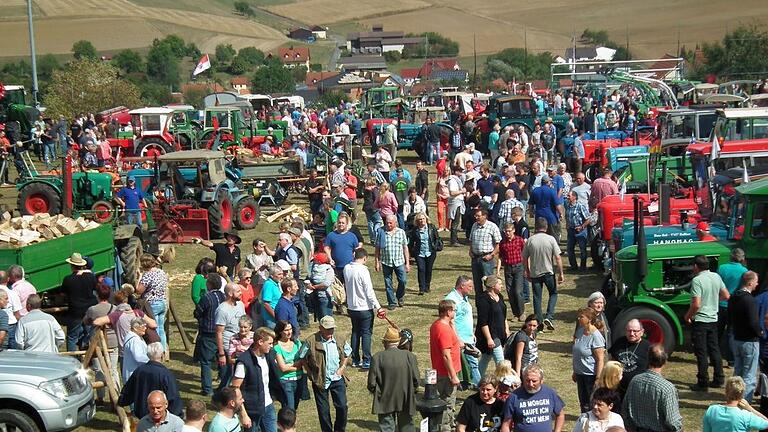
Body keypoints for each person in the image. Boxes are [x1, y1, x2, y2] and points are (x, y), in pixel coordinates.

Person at [684, 255, 728, 391]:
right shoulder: (716, 276)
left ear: (696, 266)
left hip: (701, 320)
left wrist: (687, 316)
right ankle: (719, 378)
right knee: (714, 349)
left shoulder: (697, 281)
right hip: (713, 318)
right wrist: (714, 301)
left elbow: (696, 304)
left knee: (701, 351)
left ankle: (702, 381)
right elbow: (726, 295)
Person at [231, 327, 287, 432]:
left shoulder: (268, 355)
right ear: (260, 342)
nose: (272, 346)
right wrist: (243, 414)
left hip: (268, 405)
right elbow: (235, 388)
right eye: (269, 343)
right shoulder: (244, 362)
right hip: (251, 409)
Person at [367, 326, 420, 432]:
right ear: (398, 341)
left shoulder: (377, 357)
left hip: (384, 398)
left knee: (386, 427)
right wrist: (413, 391)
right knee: (407, 427)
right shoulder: (410, 356)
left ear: (385, 342)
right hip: (405, 397)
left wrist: (375, 391)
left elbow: (372, 382)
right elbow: (416, 380)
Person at [304, 316, 352, 432]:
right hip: (320, 380)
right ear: (320, 328)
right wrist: (311, 374)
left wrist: (343, 367)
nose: (330, 331)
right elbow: (302, 358)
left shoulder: (340, 338)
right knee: (323, 411)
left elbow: (347, 353)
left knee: (342, 407)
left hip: (337, 378)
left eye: (332, 329)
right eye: (327, 329)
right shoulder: (310, 341)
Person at [621, 344, 682, 432]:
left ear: (648, 359)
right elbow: (672, 421)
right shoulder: (667, 388)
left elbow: (625, 409)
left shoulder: (635, 380)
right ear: (665, 361)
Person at [119, 342, 183, 420]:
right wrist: (177, 416)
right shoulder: (166, 374)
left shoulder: (139, 371)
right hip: (159, 416)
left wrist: (121, 401)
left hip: (142, 415)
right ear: (162, 355)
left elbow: (128, 391)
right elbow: (173, 398)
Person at [344, 248, 385, 369]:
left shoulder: (347, 268)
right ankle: (367, 359)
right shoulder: (363, 270)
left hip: (352, 306)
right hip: (364, 307)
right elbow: (369, 291)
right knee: (366, 333)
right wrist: (378, 307)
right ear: (365, 258)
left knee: (355, 332)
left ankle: (355, 359)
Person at [522, 218, 564, 331]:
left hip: (535, 273)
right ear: (546, 227)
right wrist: (561, 273)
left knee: (537, 298)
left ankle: (538, 323)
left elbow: (524, 258)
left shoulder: (530, 240)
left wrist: (527, 271)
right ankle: (549, 316)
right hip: (548, 272)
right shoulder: (551, 239)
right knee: (553, 293)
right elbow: (558, 257)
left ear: (535, 227)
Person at [728, 271, 761, 402]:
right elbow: (753, 322)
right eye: (756, 281)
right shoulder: (750, 300)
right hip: (749, 341)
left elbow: (729, 317)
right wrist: (761, 333)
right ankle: (745, 402)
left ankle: (733, 398)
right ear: (750, 282)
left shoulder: (733, 297)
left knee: (738, 373)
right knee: (749, 376)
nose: (757, 284)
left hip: (736, 338)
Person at [500, 364, 565, 432]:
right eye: (527, 381)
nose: (530, 384)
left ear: (541, 380)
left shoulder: (550, 393)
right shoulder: (514, 397)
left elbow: (560, 415)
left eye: (534, 381)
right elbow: (506, 423)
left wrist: (557, 430)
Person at [430, 300, 463, 432]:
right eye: (454, 310)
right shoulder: (443, 329)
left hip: (442, 371)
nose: (455, 312)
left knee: (447, 402)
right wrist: (453, 375)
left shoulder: (438, 325)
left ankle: (449, 424)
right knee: (447, 403)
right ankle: (445, 428)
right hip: (446, 374)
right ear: (448, 312)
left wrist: (452, 324)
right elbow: (446, 355)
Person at [193, 274, 227, 396]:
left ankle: (207, 389)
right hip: (222, 332)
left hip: (208, 332)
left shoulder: (207, 298)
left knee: (206, 361)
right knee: (222, 359)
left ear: (210, 284)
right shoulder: (223, 296)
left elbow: (198, 312)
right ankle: (224, 385)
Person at [445, 276, 481, 388]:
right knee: (473, 364)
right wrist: (458, 339)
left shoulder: (464, 297)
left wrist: (472, 333)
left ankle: (465, 383)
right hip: (461, 339)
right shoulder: (451, 300)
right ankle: (480, 386)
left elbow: (465, 317)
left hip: (468, 337)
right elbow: (450, 322)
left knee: (468, 363)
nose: (471, 289)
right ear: (462, 286)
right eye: (469, 286)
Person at [702, 375, 768, 432]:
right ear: (742, 394)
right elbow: (766, 424)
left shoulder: (712, 410)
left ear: (726, 392)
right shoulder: (746, 415)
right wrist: (750, 409)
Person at [61, 252, 98, 351]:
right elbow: (95, 288)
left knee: (72, 337)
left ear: (71, 265)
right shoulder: (91, 277)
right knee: (88, 335)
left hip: (75, 312)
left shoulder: (68, 279)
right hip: (89, 310)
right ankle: (89, 356)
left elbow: (63, 294)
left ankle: (72, 359)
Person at [572, 307, 606, 413]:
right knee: (583, 402)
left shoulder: (596, 336)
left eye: (581, 317)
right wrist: (575, 371)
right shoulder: (580, 331)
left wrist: (598, 378)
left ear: (589, 319)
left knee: (591, 403)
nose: (578, 319)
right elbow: (577, 353)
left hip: (590, 375)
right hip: (580, 373)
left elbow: (600, 359)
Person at [718, 248, 748, 364]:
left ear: (731, 256)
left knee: (718, 331)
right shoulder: (744, 270)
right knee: (731, 333)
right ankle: (731, 359)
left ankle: (714, 354)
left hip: (721, 303)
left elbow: (718, 285)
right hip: (735, 304)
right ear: (742, 258)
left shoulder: (722, 268)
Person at [476, 276, 509, 376]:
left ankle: (475, 379)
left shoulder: (500, 297)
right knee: (500, 360)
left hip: (500, 333)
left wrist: (506, 329)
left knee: (486, 357)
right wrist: (489, 338)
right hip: (491, 334)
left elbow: (504, 315)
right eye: (499, 284)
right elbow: (483, 321)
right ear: (493, 286)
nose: (502, 286)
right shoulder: (483, 299)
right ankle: (504, 380)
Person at [376, 214, 410, 310]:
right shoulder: (381, 232)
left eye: (391, 223)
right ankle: (391, 302)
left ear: (395, 223)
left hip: (399, 261)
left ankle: (400, 296)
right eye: (387, 223)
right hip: (386, 261)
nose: (389, 225)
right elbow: (377, 248)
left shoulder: (401, 232)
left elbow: (405, 247)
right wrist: (377, 261)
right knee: (388, 283)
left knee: (403, 280)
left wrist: (407, 262)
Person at [216, 283, 246, 391]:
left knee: (236, 373)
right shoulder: (222, 310)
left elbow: (245, 322)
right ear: (230, 293)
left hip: (240, 344)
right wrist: (221, 354)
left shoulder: (240, 305)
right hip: (227, 346)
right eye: (238, 291)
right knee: (227, 375)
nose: (241, 293)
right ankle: (221, 396)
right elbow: (219, 332)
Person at [609, 319, 650, 397]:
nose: (631, 334)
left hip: (638, 390)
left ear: (642, 332)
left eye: (635, 331)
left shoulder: (647, 347)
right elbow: (612, 360)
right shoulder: (619, 343)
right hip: (618, 389)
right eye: (629, 331)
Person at [136, 253, 169, 349]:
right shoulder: (161, 272)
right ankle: (162, 350)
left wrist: (139, 277)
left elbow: (138, 290)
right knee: (161, 328)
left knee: (153, 328)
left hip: (152, 304)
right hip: (162, 302)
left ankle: (155, 350)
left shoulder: (148, 275)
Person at [469, 208, 502, 299]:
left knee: (489, 283)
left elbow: (498, 243)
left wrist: (491, 255)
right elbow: (471, 240)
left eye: (478, 216)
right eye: (476, 216)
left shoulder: (492, 226)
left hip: (487, 259)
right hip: (475, 258)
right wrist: (470, 250)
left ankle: (492, 301)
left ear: (484, 216)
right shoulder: (474, 226)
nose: (476, 218)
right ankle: (480, 302)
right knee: (477, 283)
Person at [274, 320, 307, 410]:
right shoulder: (277, 347)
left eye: (290, 329)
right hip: (286, 382)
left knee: (294, 408)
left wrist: (290, 365)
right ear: (280, 331)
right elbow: (283, 368)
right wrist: (297, 366)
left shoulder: (297, 343)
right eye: (286, 330)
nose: (289, 332)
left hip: (299, 379)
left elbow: (303, 360)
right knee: (289, 408)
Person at [497, 223, 525, 321]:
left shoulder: (519, 240)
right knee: (510, 291)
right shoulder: (503, 243)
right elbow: (500, 257)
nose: (507, 233)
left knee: (518, 291)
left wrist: (526, 267)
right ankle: (515, 314)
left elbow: (525, 253)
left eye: (509, 231)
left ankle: (521, 312)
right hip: (508, 268)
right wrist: (498, 270)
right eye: (506, 231)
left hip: (518, 267)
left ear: (513, 230)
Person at [408, 212, 440, 295]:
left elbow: (437, 238)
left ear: (426, 219)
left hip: (430, 252)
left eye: (423, 219)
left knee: (428, 270)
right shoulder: (415, 230)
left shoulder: (432, 227)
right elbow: (411, 243)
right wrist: (410, 253)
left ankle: (427, 286)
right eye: (419, 220)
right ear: (417, 221)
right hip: (420, 253)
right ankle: (421, 288)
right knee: (421, 269)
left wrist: (435, 247)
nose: (422, 221)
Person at [324, 213, 362, 282]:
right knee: (338, 289)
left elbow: (356, 249)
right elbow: (326, 247)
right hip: (336, 267)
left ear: (347, 224)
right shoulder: (331, 235)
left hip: (349, 267)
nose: (341, 224)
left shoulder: (352, 236)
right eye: (339, 222)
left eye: (343, 223)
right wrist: (330, 258)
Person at [564, 191, 590, 272]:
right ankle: (573, 266)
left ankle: (583, 267)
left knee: (582, 250)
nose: (567, 197)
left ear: (574, 197)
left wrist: (582, 227)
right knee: (569, 249)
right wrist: (567, 224)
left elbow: (588, 219)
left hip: (580, 231)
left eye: (569, 196)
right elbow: (567, 216)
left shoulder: (580, 206)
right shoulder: (567, 206)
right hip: (571, 230)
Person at [122, 317, 150, 381]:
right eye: (143, 326)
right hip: (134, 374)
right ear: (135, 328)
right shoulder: (135, 340)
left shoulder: (137, 337)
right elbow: (139, 357)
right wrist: (151, 361)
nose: (145, 328)